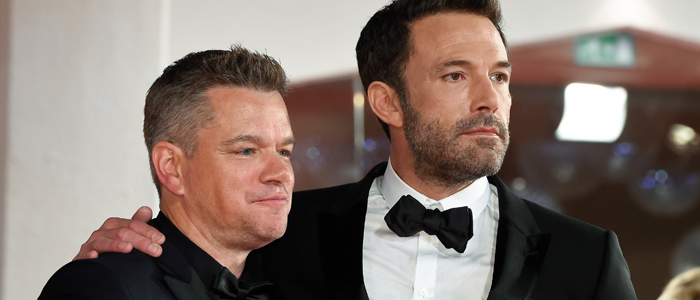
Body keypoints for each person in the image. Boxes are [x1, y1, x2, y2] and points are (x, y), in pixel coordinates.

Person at [72, 0, 638, 299]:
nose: (490, 99)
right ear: (387, 102)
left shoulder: (585, 260)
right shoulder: (280, 235)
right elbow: (186, 261)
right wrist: (113, 264)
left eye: (501, 76)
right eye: (455, 76)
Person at [39, 46, 295, 299]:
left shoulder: (299, 277)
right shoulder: (100, 287)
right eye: (246, 151)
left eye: (284, 152)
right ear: (171, 167)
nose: (282, 174)